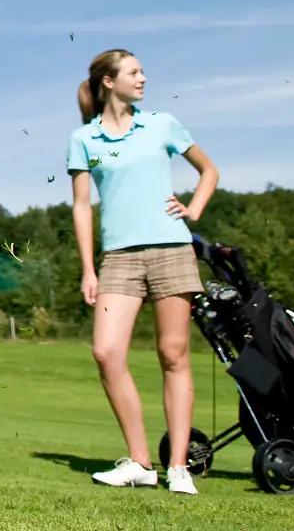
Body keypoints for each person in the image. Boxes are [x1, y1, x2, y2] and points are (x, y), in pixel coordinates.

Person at [65, 49, 222, 495]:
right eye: (135, 72)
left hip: (172, 249)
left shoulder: (161, 124)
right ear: (109, 81)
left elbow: (208, 170)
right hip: (118, 259)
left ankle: (178, 468)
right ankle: (140, 462)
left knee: (173, 354)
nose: (144, 78)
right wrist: (87, 268)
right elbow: (81, 206)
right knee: (106, 352)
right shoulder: (86, 141)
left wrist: (193, 208)